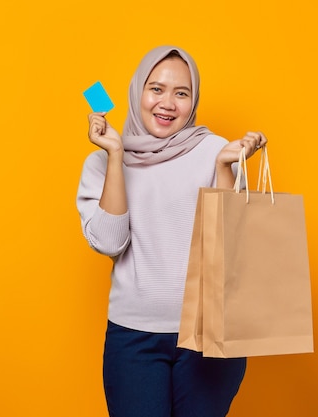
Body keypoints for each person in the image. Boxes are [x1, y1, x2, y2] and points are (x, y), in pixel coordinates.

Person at [77, 45, 267, 417]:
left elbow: (232, 245)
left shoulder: (214, 149)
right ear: (138, 92)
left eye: (182, 93)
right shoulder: (102, 160)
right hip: (133, 338)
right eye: (157, 89)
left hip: (209, 336)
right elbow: (112, 242)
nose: (168, 103)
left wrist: (226, 169)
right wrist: (116, 156)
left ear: (193, 101)